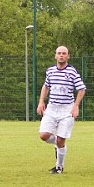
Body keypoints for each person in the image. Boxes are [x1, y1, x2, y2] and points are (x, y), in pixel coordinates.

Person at [37, 46, 86, 174]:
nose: (61, 55)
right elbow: (46, 86)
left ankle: (59, 166)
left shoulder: (72, 72)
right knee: (43, 135)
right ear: (55, 56)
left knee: (61, 139)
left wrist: (76, 105)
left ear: (68, 56)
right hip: (52, 108)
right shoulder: (50, 71)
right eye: (59, 53)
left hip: (66, 109)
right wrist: (41, 101)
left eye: (64, 53)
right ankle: (58, 145)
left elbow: (81, 89)